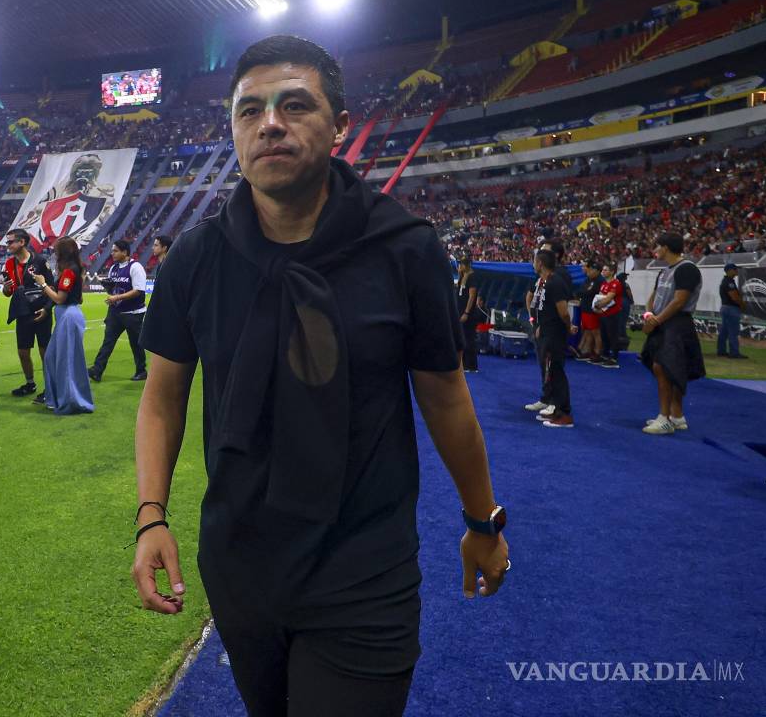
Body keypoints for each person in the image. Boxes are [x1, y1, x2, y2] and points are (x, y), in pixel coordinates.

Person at [131, 35, 509, 716]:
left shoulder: (404, 249)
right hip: (240, 566)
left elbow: (446, 396)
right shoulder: (195, 258)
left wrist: (483, 520)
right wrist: (150, 515)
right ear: (234, 131)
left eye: (295, 105)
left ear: (340, 126)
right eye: (250, 110)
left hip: (363, 568)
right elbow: (162, 399)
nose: (270, 123)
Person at [641, 232, 705, 435]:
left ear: (666, 247)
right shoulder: (664, 271)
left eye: (657, 246)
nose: (655, 250)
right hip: (662, 323)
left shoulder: (687, 269)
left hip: (677, 325)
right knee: (669, 369)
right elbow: (654, 297)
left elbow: (679, 301)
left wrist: (657, 320)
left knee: (665, 368)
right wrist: (649, 315)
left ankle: (664, 418)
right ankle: (676, 416)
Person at [33, 237, 94, 415]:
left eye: (56, 250)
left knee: (63, 361)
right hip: (68, 315)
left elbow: (60, 298)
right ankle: (58, 398)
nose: (54, 253)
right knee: (53, 358)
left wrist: (43, 284)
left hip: (67, 316)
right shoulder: (74, 269)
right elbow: (79, 298)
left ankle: (68, 400)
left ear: (62, 252)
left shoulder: (69, 272)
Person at [2, 228, 54, 401]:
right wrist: (6, 289)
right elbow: (9, 293)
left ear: (22, 242)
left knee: (45, 352)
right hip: (23, 312)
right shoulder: (9, 264)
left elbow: (52, 287)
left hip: (41, 312)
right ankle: (30, 383)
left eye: (11, 242)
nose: (8, 245)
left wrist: (47, 309)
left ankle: (50, 388)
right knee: (23, 352)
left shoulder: (40, 261)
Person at [88, 239, 148, 382]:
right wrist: (108, 288)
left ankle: (141, 371)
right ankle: (97, 370)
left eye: (115, 251)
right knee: (108, 342)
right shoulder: (113, 268)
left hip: (133, 313)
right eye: (112, 250)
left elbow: (138, 290)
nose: (112, 253)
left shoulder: (135, 267)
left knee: (136, 343)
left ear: (125, 252)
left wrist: (117, 297)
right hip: (115, 312)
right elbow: (113, 289)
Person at [532, 249, 576, 428]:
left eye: (534, 261)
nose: (533, 264)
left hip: (554, 335)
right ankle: (556, 409)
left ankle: (564, 414)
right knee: (551, 372)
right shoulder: (546, 282)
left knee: (556, 372)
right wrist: (541, 326)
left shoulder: (555, 283)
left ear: (540, 263)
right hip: (547, 332)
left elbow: (563, 312)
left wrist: (568, 326)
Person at [592, 262, 623, 368]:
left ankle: (614, 358)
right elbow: (600, 297)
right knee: (604, 335)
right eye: (603, 270)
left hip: (612, 314)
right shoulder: (604, 284)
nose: (603, 272)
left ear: (612, 272)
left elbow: (608, 298)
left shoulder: (615, 283)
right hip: (603, 313)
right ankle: (605, 355)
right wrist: (597, 307)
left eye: (605, 270)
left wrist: (597, 306)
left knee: (612, 335)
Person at [456, 256, 481, 373]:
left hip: (468, 314)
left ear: (465, 265)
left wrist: (466, 312)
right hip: (460, 311)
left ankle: (471, 365)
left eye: (461, 265)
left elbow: (472, 296)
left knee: (469, 338)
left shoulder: (472, 277)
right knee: (463, 337)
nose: (459, 267)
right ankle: (464, 363)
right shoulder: (463, 277)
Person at [717, 262, 747, 359]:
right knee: (733, 332)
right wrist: (742, 305)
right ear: (729, 271)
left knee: (724, 331)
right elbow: (734, 297)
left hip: (725, 308)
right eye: (735, 269)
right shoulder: (729, 282)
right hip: (731, 309)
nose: (736, 271)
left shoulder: (726, 281)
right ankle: (734, 353)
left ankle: (721, 351)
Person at [575, 260, 603, 363]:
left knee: (595, 331)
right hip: (585, 308)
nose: (589, 271)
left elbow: (589, 292)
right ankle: (588, 351)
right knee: (587, 330)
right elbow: (581, 291)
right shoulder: (588, 279)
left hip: (593, 309)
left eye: (592, 270)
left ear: (597, 271)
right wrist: (583, 292)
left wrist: (583, 292)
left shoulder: (600, 281)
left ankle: (597, 353)